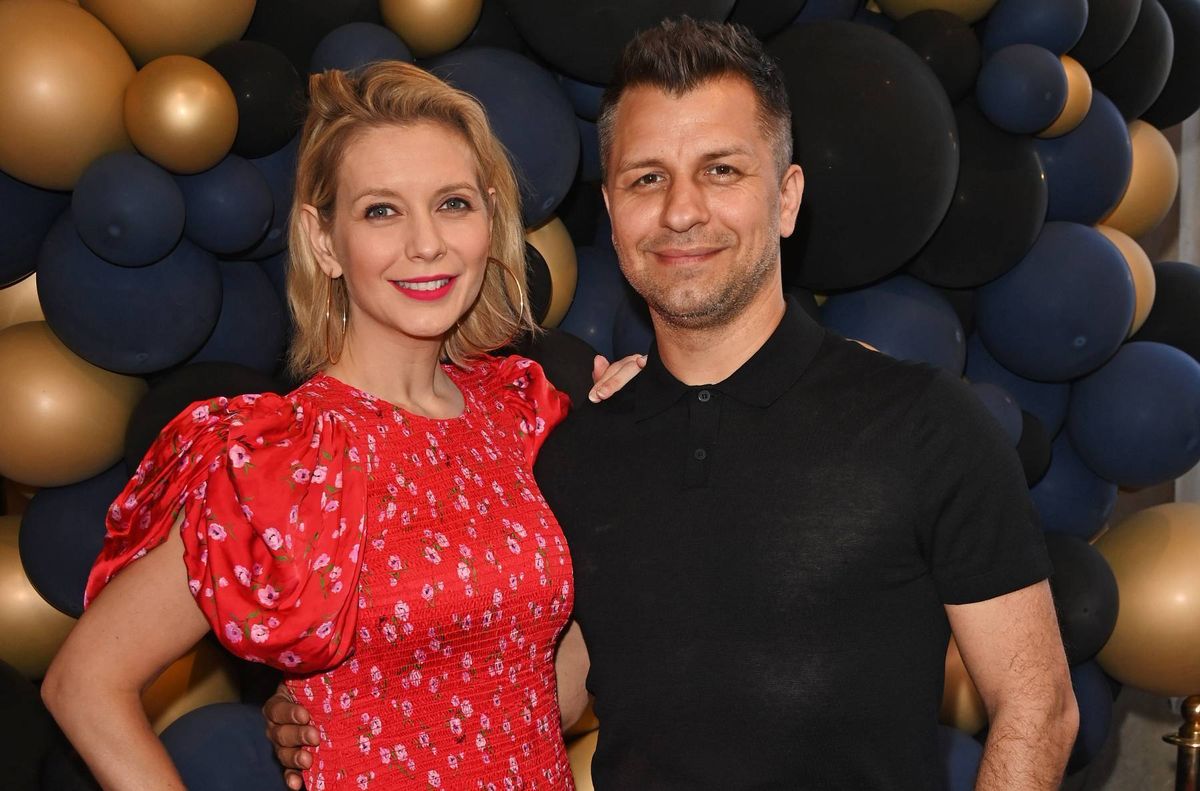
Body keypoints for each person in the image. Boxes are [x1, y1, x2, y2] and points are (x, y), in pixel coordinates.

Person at [267, 17, 1079, 790]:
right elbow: (547, 694)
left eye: (721, 170)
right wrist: (340, 704)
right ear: (615, 212)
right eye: (647, 178)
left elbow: (1037, 706)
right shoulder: (572, 449)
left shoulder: (923, 423)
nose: (682, 210)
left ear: (787, 197)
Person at [41, 60, 639, 791]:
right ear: (324, 241)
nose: (427, 243)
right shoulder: (283, 456)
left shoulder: (523, 414)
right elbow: (84, 684)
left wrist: (633, 455)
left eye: (452, 203)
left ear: (490, 220)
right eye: (381, 210)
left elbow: (557, 693)